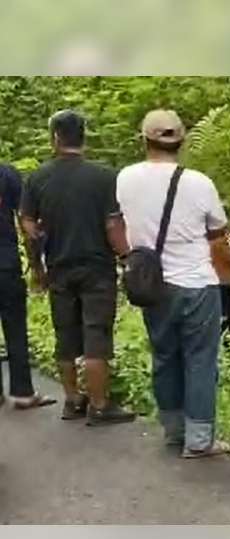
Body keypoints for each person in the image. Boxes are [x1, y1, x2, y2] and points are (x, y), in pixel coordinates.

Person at [117, 109, 230, 458]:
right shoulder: (199, 183)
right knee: (200, 361)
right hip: (197, 285)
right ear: (181, 141)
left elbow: (117, 224)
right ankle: (198, 442)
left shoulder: (125, 178)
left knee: (165, 357)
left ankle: (173, 431)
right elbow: (218, 235)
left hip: (151, 285)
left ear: (143, 139)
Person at [20, 110, 135, 425]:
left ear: (56, 137)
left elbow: (28, 223)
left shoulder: (38, 178)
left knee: (65, 334)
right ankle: (99, 404)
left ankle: (73, 400)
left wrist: (36, 265)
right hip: (97, 268)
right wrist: (127, 257)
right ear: (83, 136)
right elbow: (113, 225)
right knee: (97, 333)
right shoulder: (104, 177)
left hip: (58, 267)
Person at [0, 164, 56, 409]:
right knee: (15, 326)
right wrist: (36, 265)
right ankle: (23, 392)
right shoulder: (6, 174)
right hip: (5, 263)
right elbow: (26, 220)